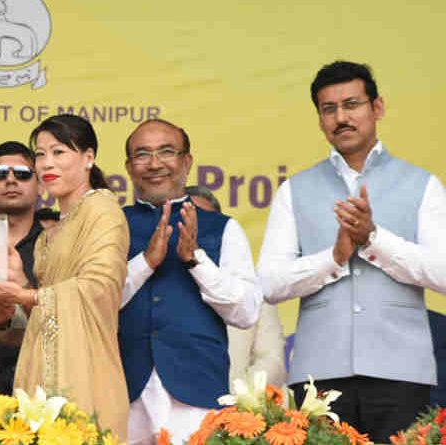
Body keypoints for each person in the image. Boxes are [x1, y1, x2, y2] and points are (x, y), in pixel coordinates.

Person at [257, 60, 446, 442]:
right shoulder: (294, 190)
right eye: (329, 109)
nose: (341, 117)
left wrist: (375, 239)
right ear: (320, 118)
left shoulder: (422, 184)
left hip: (401, 373)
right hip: (318, 378)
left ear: (377, 108)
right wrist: (335, 257)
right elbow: (270, 284)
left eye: (352, 104)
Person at [0, 114, 130, 438]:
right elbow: (44, 312)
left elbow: (99, 287)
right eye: (40, 154)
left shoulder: (102, 210)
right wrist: (22, 284)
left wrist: (25, 295)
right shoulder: (51, 232)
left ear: (88, 158)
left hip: (85, 368)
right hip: (41, 366)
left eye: (58, 152)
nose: (46, 164)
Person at [119, 119, 261, 444]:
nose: (154, 164)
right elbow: (96, 302)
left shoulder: (223, 228)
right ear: (128, 167)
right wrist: (145, 263)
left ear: (187, 161)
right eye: (142, 154)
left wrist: (196, 260)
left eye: (166, 152)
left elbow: (246, 312)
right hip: (125, 391)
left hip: (197, 389)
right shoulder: (113, 225)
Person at [185, 185, 286, 389]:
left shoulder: (251, 289)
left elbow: (272, 360)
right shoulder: (160, 288)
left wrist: (237, 395)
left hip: (237, 409)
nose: (193, 232)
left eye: (203, 224)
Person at [0, 141, 43, 395]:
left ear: (39, 185)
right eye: (0, 173)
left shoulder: (57, 242)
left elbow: (65, 324)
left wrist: (23, 285)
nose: (11, 180)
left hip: (39, 392)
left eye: (23, 174)